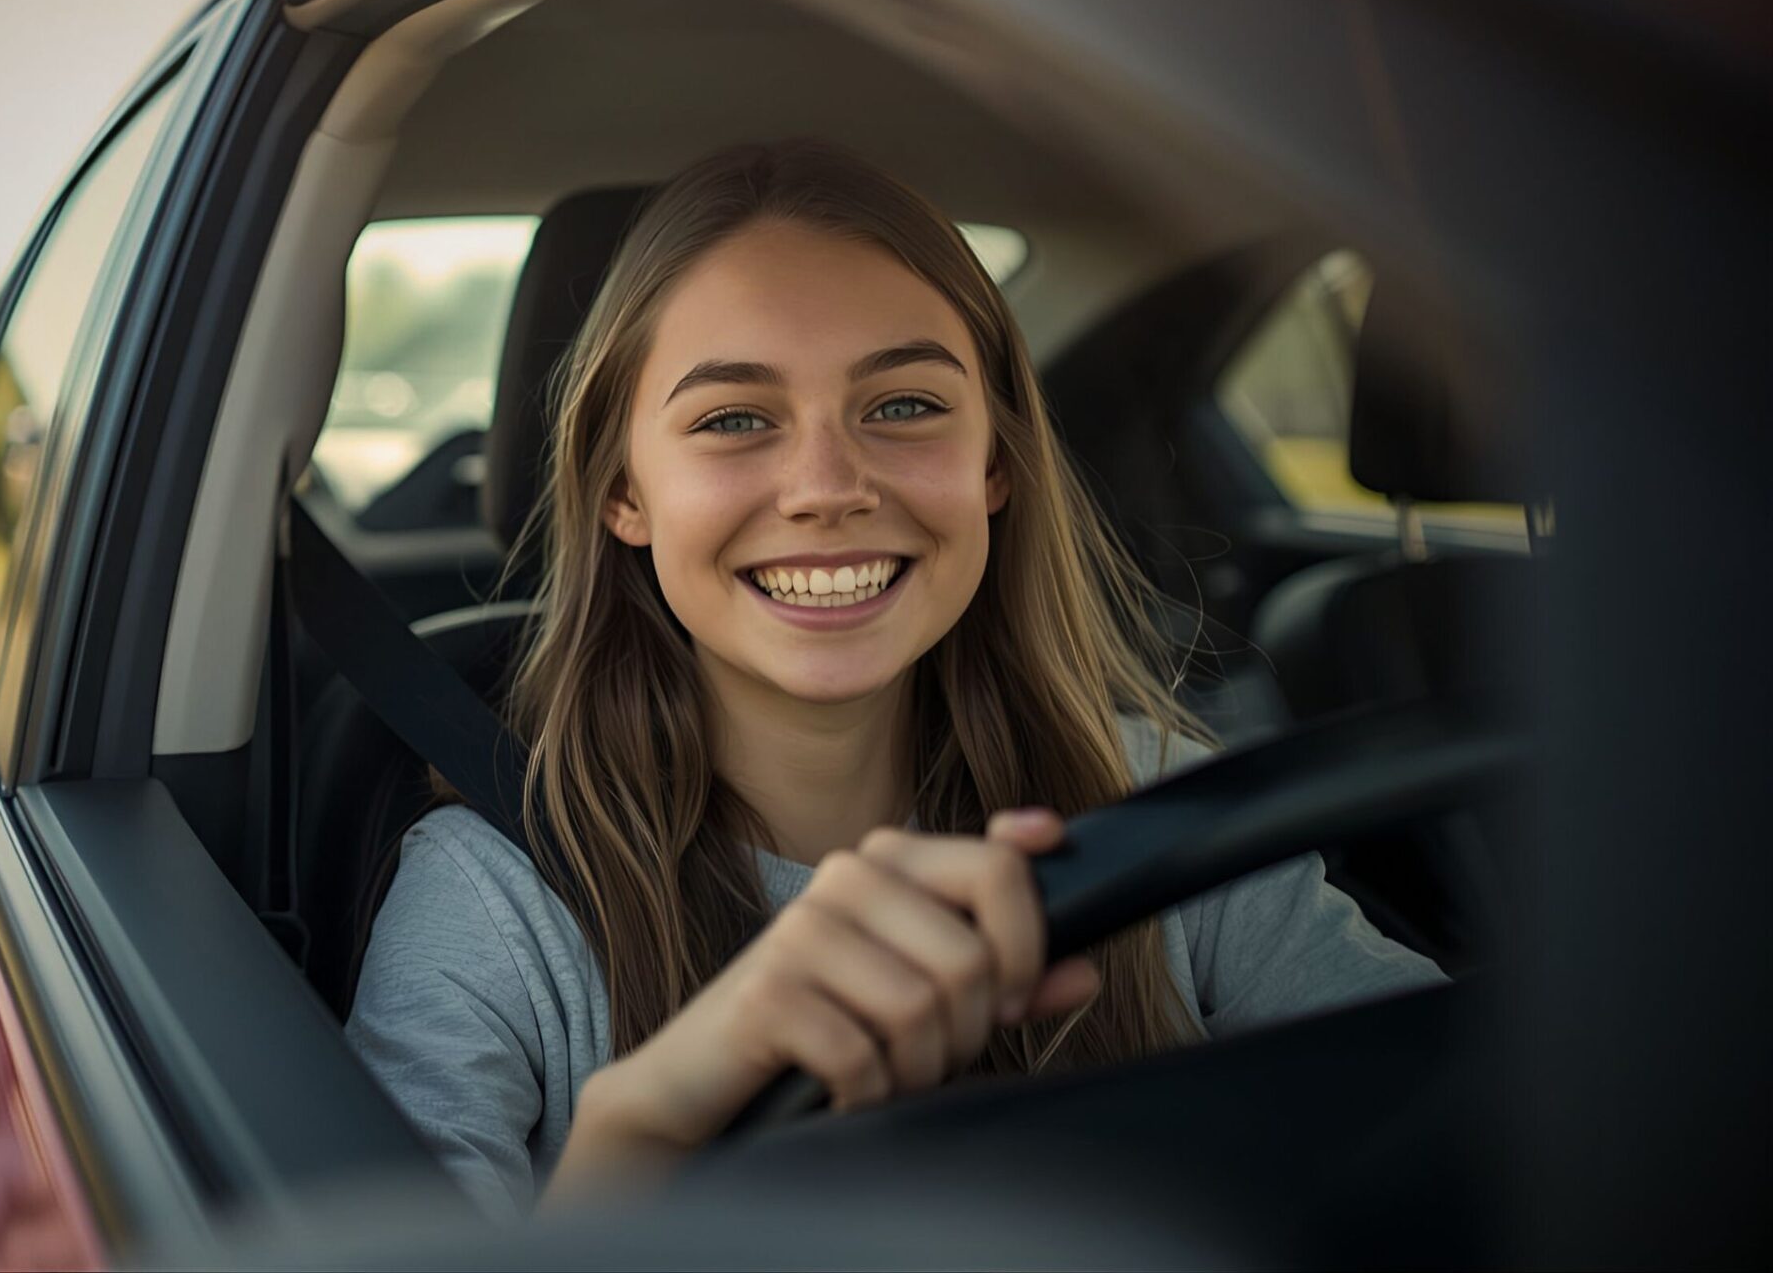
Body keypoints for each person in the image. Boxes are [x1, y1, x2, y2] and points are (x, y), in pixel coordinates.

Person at [344, 141, 1442, 1216]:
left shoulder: (1157, 798)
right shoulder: (493, 904)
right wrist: (641, 1136)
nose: (827, 487)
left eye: (904, 405)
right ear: (622, 495)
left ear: (996, 464)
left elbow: (1465, 1126)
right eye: (733, 420)